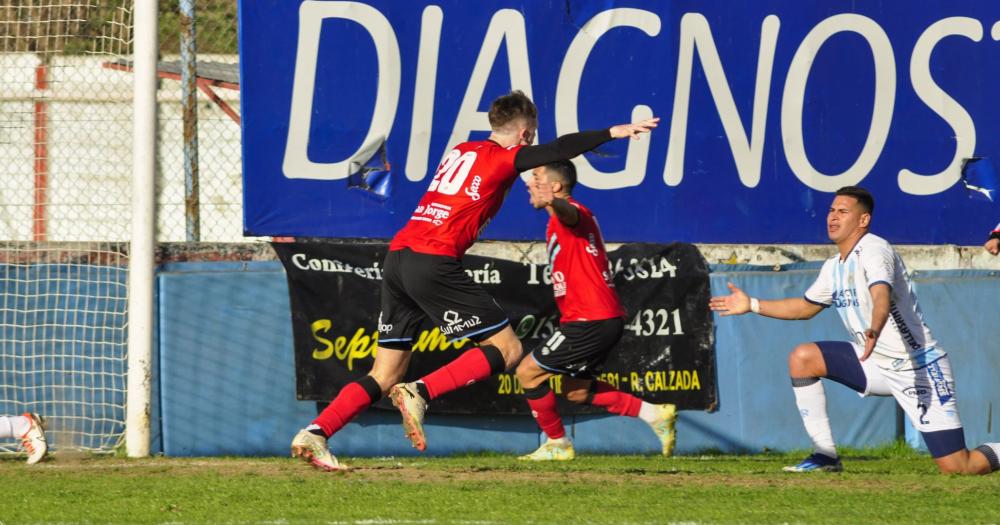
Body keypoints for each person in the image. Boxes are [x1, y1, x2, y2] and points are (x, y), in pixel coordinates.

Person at [291, 90, 659, 470]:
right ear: (526, 133)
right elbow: (558, 149)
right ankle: (420, 391)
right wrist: (611, 132)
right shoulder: (503, 157)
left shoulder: (462, 150)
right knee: (509, 349)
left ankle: (316, 433)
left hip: (399, 256)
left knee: (384, 372)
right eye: (532, 135)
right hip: (433, 259)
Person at [709, 186, 1000, 474]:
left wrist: (874, 327)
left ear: (863, 220)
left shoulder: (874, 250)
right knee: (803, 358)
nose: (833, 217)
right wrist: (753, 304)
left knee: (959, 467)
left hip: (917, 367)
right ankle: (825, 456)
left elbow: (881, 296)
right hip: (874, 363)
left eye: (843, 211)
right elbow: (804, 307)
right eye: (831, 210)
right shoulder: (834, 265)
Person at [512, 160, 676, 461]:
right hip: (599, 317)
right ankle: (653, 412)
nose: (528, 183)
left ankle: (557, 444)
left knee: (528, 373)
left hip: (590, 318)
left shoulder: (572, 212)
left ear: (556, 186)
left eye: (536, 177)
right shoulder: (561, 219)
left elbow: (571, 215)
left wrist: (556, 204)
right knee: (576, 392)